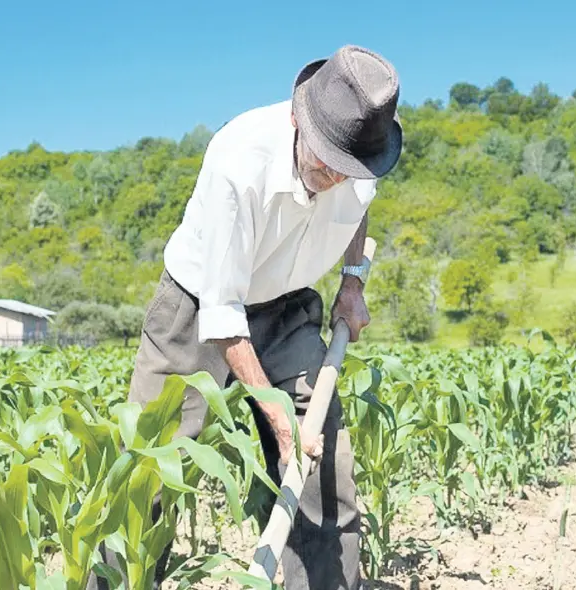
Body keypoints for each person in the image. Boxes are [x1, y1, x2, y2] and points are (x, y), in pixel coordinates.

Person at [88, 44, 402, 590]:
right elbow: (223, 314)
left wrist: (352, 282)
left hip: (285, 306)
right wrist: (278, 419)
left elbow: (358, 206)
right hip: (198, 308)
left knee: (324, 466)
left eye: (346, 167)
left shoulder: (360, 157)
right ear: (300, 119)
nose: (334, 175)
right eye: (326, 159)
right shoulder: (239, 160)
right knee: (148, 474)